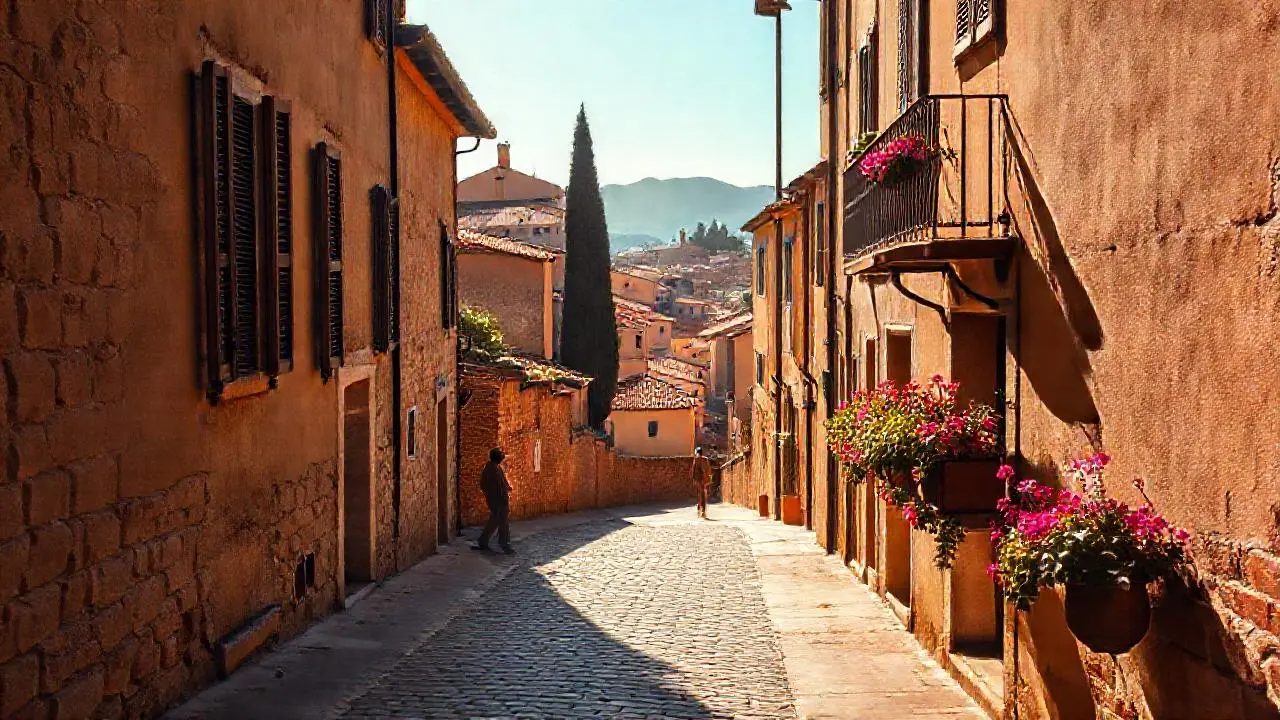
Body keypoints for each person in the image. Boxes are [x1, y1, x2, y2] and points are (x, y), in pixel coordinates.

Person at [473, 448, 514, 554]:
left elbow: (503, 482)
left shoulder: (497, 468)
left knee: (494, 521)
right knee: (503, 523)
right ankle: (504, 544)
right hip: (497, 501)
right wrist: (493, 495)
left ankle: (483, 542)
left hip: (500, 500)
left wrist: (507, 487)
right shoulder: (490, 469)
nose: (502, 457)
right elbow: (484, 485)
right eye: (501, 455)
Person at [693, 447, 712, 519]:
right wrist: (709, 479)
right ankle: (703, 511)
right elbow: (708, 469)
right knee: (704, 495)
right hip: (705, 480)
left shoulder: (696, 459)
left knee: (699, 494)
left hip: (699, 480)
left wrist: (694, 479)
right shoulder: (705, 459)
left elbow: (694, 470)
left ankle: (699, 509)